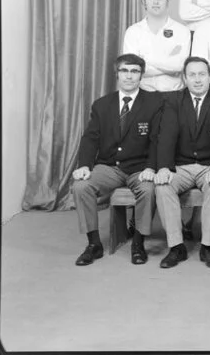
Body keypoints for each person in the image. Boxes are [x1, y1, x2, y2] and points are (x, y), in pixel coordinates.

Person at [71, 54, 163, 266]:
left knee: (148, 190)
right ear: (117, 74)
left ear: (141, 75)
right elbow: (90, 139)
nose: (129, 76)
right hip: (109, 167)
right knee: (81, 186)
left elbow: (157, 140)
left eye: (135, 71)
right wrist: (84, 165)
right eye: (125, 71)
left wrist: (151, 167)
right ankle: (93, 244)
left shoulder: (154, 103)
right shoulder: (102, 105)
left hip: (140, 168)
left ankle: (138, 243)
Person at [154, 56, 210, 269]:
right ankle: (176, 246)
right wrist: (164, 167)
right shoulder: (173, 101)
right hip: (180, 166)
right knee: (162, 185)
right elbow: (166, 136)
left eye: (201, 74)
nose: (197, 79)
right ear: (184, 78)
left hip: (209, 166)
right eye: (192, 75)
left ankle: (207, 246)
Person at [122, 0, 191, 93]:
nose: (156, 2)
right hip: (143, 95)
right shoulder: (132, 32)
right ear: (143, 2)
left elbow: (179, 66)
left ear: (167, 1)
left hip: (175, 96)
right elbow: (133, 69)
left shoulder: (182, 31)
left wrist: (145, 59)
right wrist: (167, 63)